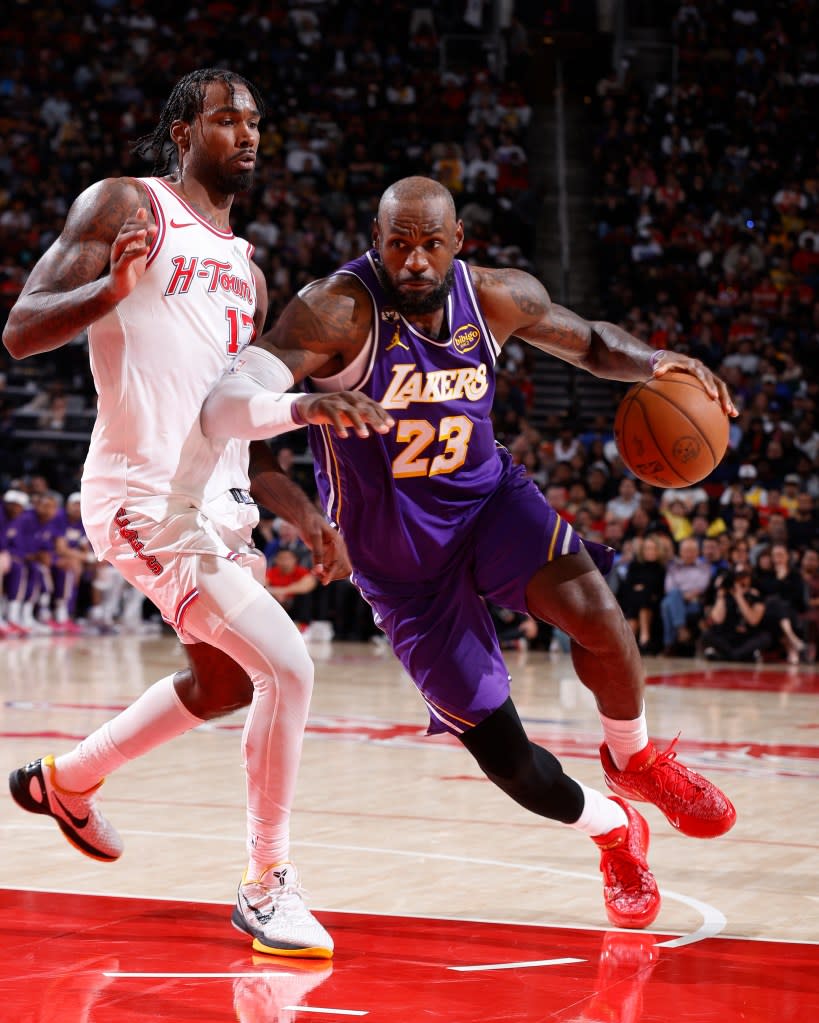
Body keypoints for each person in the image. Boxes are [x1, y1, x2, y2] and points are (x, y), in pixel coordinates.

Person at [202, 176, 739, 930]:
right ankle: (615, 830)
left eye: (431, 243)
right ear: (376, 241)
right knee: (512, 764)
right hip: (397, 563)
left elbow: (588, 342)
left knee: (600, 616)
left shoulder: (494, 296)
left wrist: (656, 363)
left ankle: (636, 759)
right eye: (399, 244)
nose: (415, 260)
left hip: (488, 505)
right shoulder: (335, 310)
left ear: (458, 241)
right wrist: (303, 513)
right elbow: (234, 423)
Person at [2, 68, 393, 960]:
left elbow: (232, 414)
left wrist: (299, 509)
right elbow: (20, 328)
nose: (246, 134)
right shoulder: (125, 205)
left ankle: (67, 780)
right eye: (226, 119)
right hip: (141, 496)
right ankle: (266, 883)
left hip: (219, 502)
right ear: (183, 132)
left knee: (224, 683)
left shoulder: (248, 274)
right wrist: (107, 292)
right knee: (287, 666)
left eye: (254, 121)